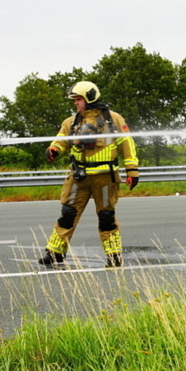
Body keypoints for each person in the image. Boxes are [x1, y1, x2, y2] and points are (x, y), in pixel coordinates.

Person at [39, 81, 139, 268]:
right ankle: (55, 253)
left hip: (105, 178)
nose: (75, 103)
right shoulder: (71, 122)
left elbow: (128, 145)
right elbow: (61, 141)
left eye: (78, 99)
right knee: (68, 213)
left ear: (89, 98)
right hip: (79, 178)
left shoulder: (114, 119)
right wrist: (53, 149)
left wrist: (132, 171)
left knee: (106, 217)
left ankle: (114, 256)